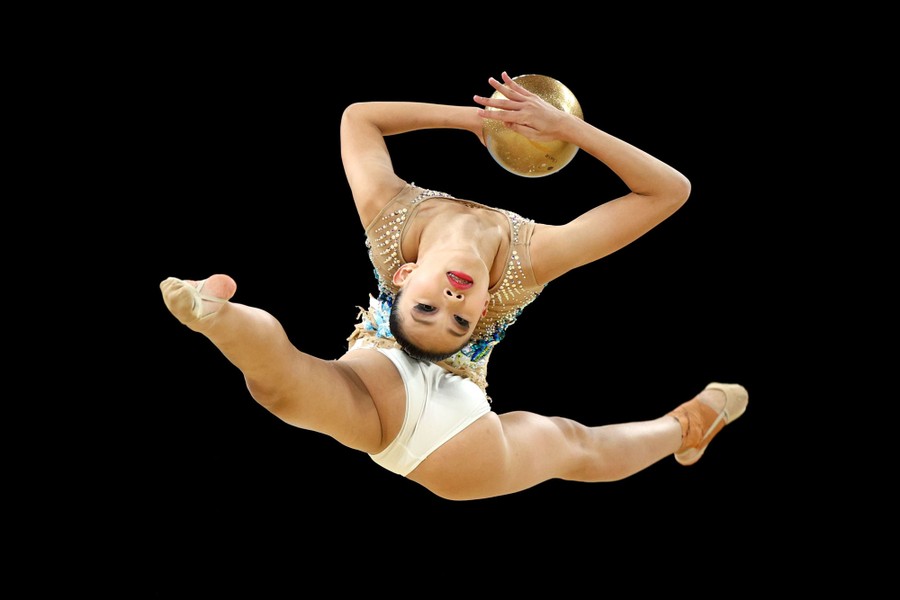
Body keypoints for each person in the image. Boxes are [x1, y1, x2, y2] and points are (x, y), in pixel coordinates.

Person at [160, 71, 748, 501]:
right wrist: (568, 128)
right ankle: (682, 428)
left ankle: (214, 315)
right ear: (484, 306)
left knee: (285, 390)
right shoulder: (530, 259)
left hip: (380, 379)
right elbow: (667, 192)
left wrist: (482, 119)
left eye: (429, 309)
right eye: (461, 318)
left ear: (405, 276)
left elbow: (358, 117)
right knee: (575, 444)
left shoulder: (392, 219)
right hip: (451, 440)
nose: (451, 304)